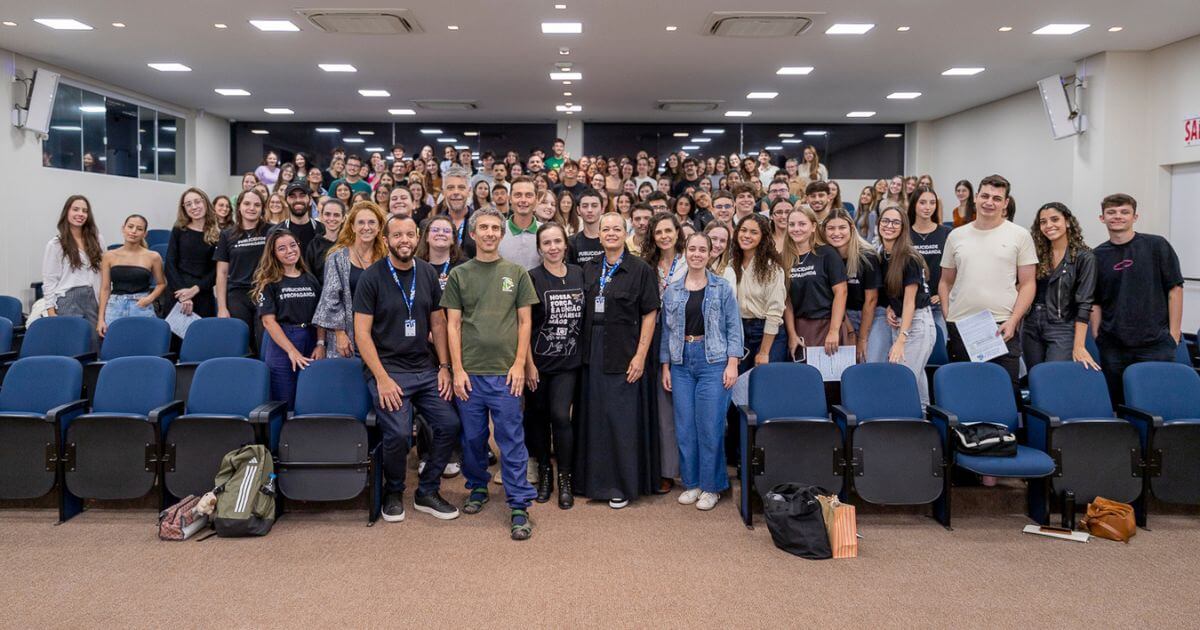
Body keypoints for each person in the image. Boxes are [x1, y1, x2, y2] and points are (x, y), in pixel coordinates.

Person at [353, 215, 462, 523]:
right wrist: (382, 378)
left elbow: (438, 322)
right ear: (385, 240)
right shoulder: (371, 277)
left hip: (426, 369)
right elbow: (361, 333)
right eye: (396, 235)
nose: (404, 240)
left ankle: (427, 491)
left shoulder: (427, 273)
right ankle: (394, 490)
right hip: (388, 370)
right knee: (399, 434)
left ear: (418, 237)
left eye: (409, 234)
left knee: (449, 424)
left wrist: (444, 366)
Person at [441, 207, 539, 540]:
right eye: (482, 227)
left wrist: (519, 364)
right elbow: (452, 325)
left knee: (511, 439)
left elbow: (525, 322)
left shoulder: (517, 272)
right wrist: (456, 370)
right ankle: (478, 487)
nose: (489, 233)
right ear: (472, 234)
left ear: (501, 234)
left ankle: (518, 503)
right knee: (473, 438)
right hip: (469, 373)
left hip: (505, 373)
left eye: (495, 228)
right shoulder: (459, 274)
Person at [576, 212, 661, 509]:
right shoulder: (587, 268)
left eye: (616, 229)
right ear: (598, 235)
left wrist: (640, 355)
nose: (610, 233)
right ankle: (593, 483)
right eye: (605, 229)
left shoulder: (640, 270)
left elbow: (650, 313)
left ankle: (620, 485)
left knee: (620, 421)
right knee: (593, 418)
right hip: (591, 351)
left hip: (625, 352)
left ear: (624, 234)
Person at [660, 232, 741, 511]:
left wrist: (732, 363)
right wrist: (665, 366)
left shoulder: (721, 287)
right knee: (685, 427)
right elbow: (666, 331)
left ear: (710, 254)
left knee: (710, 425)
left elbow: (734, 327)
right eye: (692, 249)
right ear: (685, 252)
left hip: (714, 361)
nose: (696, 254)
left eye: (702, 250)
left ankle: (711, 486)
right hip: (681, 361)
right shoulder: (673, 289)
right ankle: (692, 483)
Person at [938, 175, 1037, 388]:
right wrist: (948, 315)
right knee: (964, 392)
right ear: (975, 198)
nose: (989, 202)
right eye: (985, 196)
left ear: (1005, 203)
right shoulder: (956, 236)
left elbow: (1028, 283)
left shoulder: (1020, 235)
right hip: (962, 325)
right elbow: (945, 282)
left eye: (996, 198)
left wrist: (1014, 320)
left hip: (1002, 326)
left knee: (1004, 393)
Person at [1091, 193, 1183, 404]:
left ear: (1135, 216)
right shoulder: (1096, 256)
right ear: (1102, 218)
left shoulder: (1157, 246)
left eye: (1124, 212)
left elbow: (1175, 290)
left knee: (1157, 403)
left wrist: (1174, 334)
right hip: (1113, 345)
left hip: (1156, 344)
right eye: (1111, 212)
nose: (1118, 216)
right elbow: (1095, 301)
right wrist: (1097, 334)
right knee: (1119, 404)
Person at [524, 222, 585, 508]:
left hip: (568, 363)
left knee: (561, 416)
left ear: (565, 244)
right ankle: (545, 474)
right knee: (537, 417)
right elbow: (522, 325)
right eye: (546, 243)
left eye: (557, 241)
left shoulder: (579, 274)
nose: (553, 247)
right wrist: (527, 364)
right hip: (537, 363)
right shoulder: (532, 278)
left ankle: (565, 478)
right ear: (539, 248)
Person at [252, 229, 324, 410]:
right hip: (283, 343)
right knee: (284, 401)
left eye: (293, 245)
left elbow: (320, 314)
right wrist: (291, 351)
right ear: (273, 253)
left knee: (310, 398)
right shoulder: (269, 282)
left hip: (310, 338)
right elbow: (268, 322)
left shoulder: (310, 278)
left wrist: (321, 343)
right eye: (282, 248)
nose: (290, 251)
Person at [1022, 202, 1099, 371]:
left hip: (1062, 326)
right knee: (1035, 378)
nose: (1049, 225)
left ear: (1068, 222)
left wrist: (1079, 345)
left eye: (1055, 219)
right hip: (1030, 325)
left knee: (1052, 376)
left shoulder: (1085, 257)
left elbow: (1085, 303)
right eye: (1043, 222)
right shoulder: (1035, 253)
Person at [642, 212, 686, 491]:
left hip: (683, 336)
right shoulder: (647, 265)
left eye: (668, 231)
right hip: (652, 334)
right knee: (659, 405)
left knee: (680, 406)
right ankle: (661, 469)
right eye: (658, 232)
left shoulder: (688, 261)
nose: (664, 236)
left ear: (677, 232)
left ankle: (681, 468)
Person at [876, 206, 936, 405]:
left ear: (903, 227)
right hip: (902, 321)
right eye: (885, 221)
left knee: (902, 379)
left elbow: (910, 301)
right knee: (915, 380)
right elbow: (896, 292)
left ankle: (908, 427)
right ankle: (924, 423)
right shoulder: (883, 255)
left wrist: (901, 340)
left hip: (916, 324)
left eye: (895, 222)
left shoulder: (908, 257)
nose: (889, 226)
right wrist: (891, 307)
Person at [313, 201, 387, 358]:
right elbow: (330, 298)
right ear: (352, 226)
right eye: (360, 222)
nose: (366, 227)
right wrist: (340, 333)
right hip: (347, 337)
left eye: (372, 222)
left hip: (382, 336)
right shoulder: (337, 258)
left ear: (380, 226)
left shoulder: (387, 258)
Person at [783, 205, 850, 361]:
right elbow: (786, 301)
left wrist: (833, 331)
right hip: (800, 327)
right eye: (792, 224)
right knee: (804, 379)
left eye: (802, 224)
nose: (796, 229)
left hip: (826, 324)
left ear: (813, 226)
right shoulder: (784, 258)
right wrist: (792, 334)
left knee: (829, 382)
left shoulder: (826, 253)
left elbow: (841, 292)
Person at [822, 209, 882, 363]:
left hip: (867, 315)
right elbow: (835, 297)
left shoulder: (867, 256)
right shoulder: (824, 257)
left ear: (851, 228)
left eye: (842, 227)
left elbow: (871, 301)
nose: (836, 233)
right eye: (831, 228)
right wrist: (849, 331)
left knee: (864, 360)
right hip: (840, 317)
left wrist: (861, 338)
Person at [731, 213, 788, 369]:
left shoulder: (772, 268)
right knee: (741, 385)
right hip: (741, 331)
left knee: (766, 383)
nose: (746, 235)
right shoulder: (731, 265)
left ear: (763, 237)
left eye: (754, 232)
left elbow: (775, 312)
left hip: (768, 333)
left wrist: (764, 352)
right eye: (743, 230)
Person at [215, 190, 269, 352]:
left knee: (263, 340)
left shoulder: (271, 231)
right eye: (247, 204)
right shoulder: (227, 235)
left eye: (257, 205)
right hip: (237, 295)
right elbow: (222, 273)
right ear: (239, 207)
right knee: (242, 343)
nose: (251, 208)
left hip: (265, 292)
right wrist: (222, 307)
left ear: (262, 208)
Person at [97, 213, 165, 337]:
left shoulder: (153, 256)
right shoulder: (109, 256)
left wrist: (150, 298)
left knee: (143, 344)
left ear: (144, 234)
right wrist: (100, 319)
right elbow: (105, 288)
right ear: (123, 229)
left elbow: (161, 284)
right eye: (130, 227)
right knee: (116, 345)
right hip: (114, 307)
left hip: (141, 305)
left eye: (139, 229)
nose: (133, 231)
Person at [166, 188, 219, 318]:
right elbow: (170, 263)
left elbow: (216, 270)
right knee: (175, 338)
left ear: (205, 202)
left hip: (203, 292)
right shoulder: (179, 229)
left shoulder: (217, 234)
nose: (194, 207)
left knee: (202, 336)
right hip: (177, 292)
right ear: (184, 208)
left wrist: (195, 290)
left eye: (197, 202)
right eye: (188, 204)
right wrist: (184, 296)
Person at [497, 177, 542, 270]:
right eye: (518, 195)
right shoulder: (497, 231)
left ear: (536, 199)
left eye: (529, 195)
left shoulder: (545, 232)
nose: (523, 200)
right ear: (510, 199)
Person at [435, 166, 477, 258]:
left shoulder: (481, 222)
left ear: (469, 191)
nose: (456, 192)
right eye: (450, 188)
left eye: (461, 187)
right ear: (443, 192)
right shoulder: (431, 225)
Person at [416, 215, 466, 291]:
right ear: (426, 237)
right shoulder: (415, 266)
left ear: (453, 239)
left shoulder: (464, 267)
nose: (441, 233)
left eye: (446, 231)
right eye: (435, 230)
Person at [273, 183, 325, 252]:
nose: (298, 200)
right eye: (292, 196)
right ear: (285, 202)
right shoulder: (275, 232)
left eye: (302, 196)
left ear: (310, 201)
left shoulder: (323, 229)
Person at [305, 199, 344, 286]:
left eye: (336, 215)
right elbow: (310, 276)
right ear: (321, 217)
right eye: (327, 214)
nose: (331, 218)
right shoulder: (314, 245)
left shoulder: (350, 244)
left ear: (343, 218)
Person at [568, 188, 605, 265]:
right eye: (585, 206)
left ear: (602, 209)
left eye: (594, 206)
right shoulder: (571, 242)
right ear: (578, 210)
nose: (589, 210)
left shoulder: (611, 240)